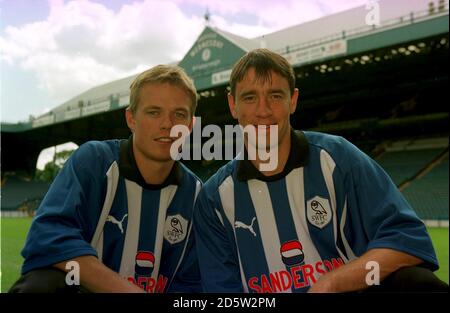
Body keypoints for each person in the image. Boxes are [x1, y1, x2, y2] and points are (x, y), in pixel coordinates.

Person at [193, 49, 448, 293]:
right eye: (250, 97)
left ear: (293, 100)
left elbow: (407, 241)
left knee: (416, 282)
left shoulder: (337, 158)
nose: (263, 110)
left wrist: (333, 283)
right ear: (233, 105)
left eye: (275, 95)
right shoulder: (214, 198)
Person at [9, 65, 202, 293]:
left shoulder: (195, 193)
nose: (167, 124)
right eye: (153, 112)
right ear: (131, 118)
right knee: (43, 284)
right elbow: (47, 236)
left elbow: (192, 281)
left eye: (179, 114)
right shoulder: (95, 162)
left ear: (190, 125)